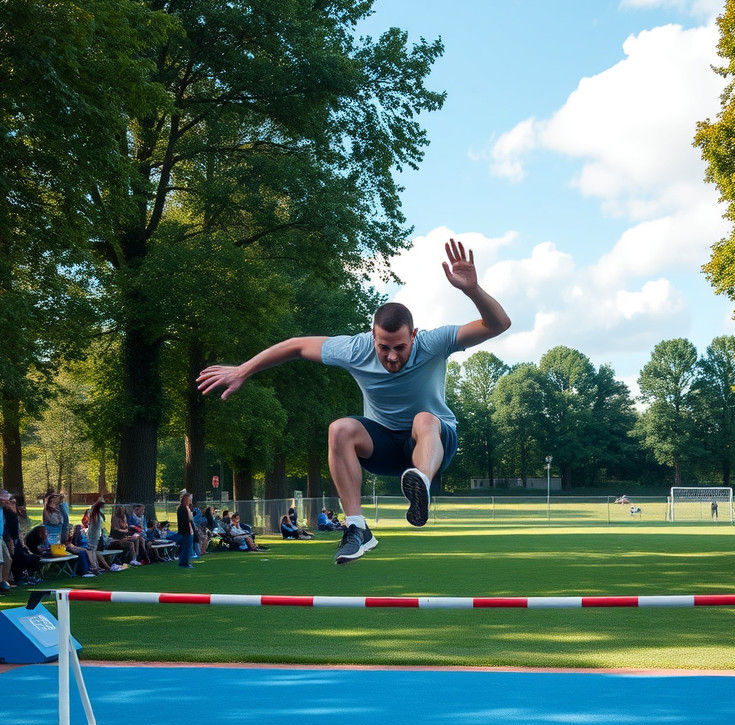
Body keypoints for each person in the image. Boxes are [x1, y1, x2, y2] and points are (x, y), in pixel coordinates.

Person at [198, 238, 511, 564]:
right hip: (383, 446)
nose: (391, 357)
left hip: (433, 443)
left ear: (414, 336)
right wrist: (243, 371)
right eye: (383, 347)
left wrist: (472, 290)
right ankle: (358, 528)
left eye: (400, 348)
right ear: (372, 336)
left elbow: (498, 324)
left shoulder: (434, 342)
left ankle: (422, 486)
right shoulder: (355, 348)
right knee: (340, 429)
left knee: (424, 418)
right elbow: (295, 345)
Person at [176, 490, 194, 568]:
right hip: (185, 531)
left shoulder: (186, 508)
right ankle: (184, 563)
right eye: (189, 499)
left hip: (188, 530)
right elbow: (187, 519)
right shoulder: (182, 508)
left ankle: (183, 562)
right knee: (186, 548)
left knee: (186, 547)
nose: (190, 500)